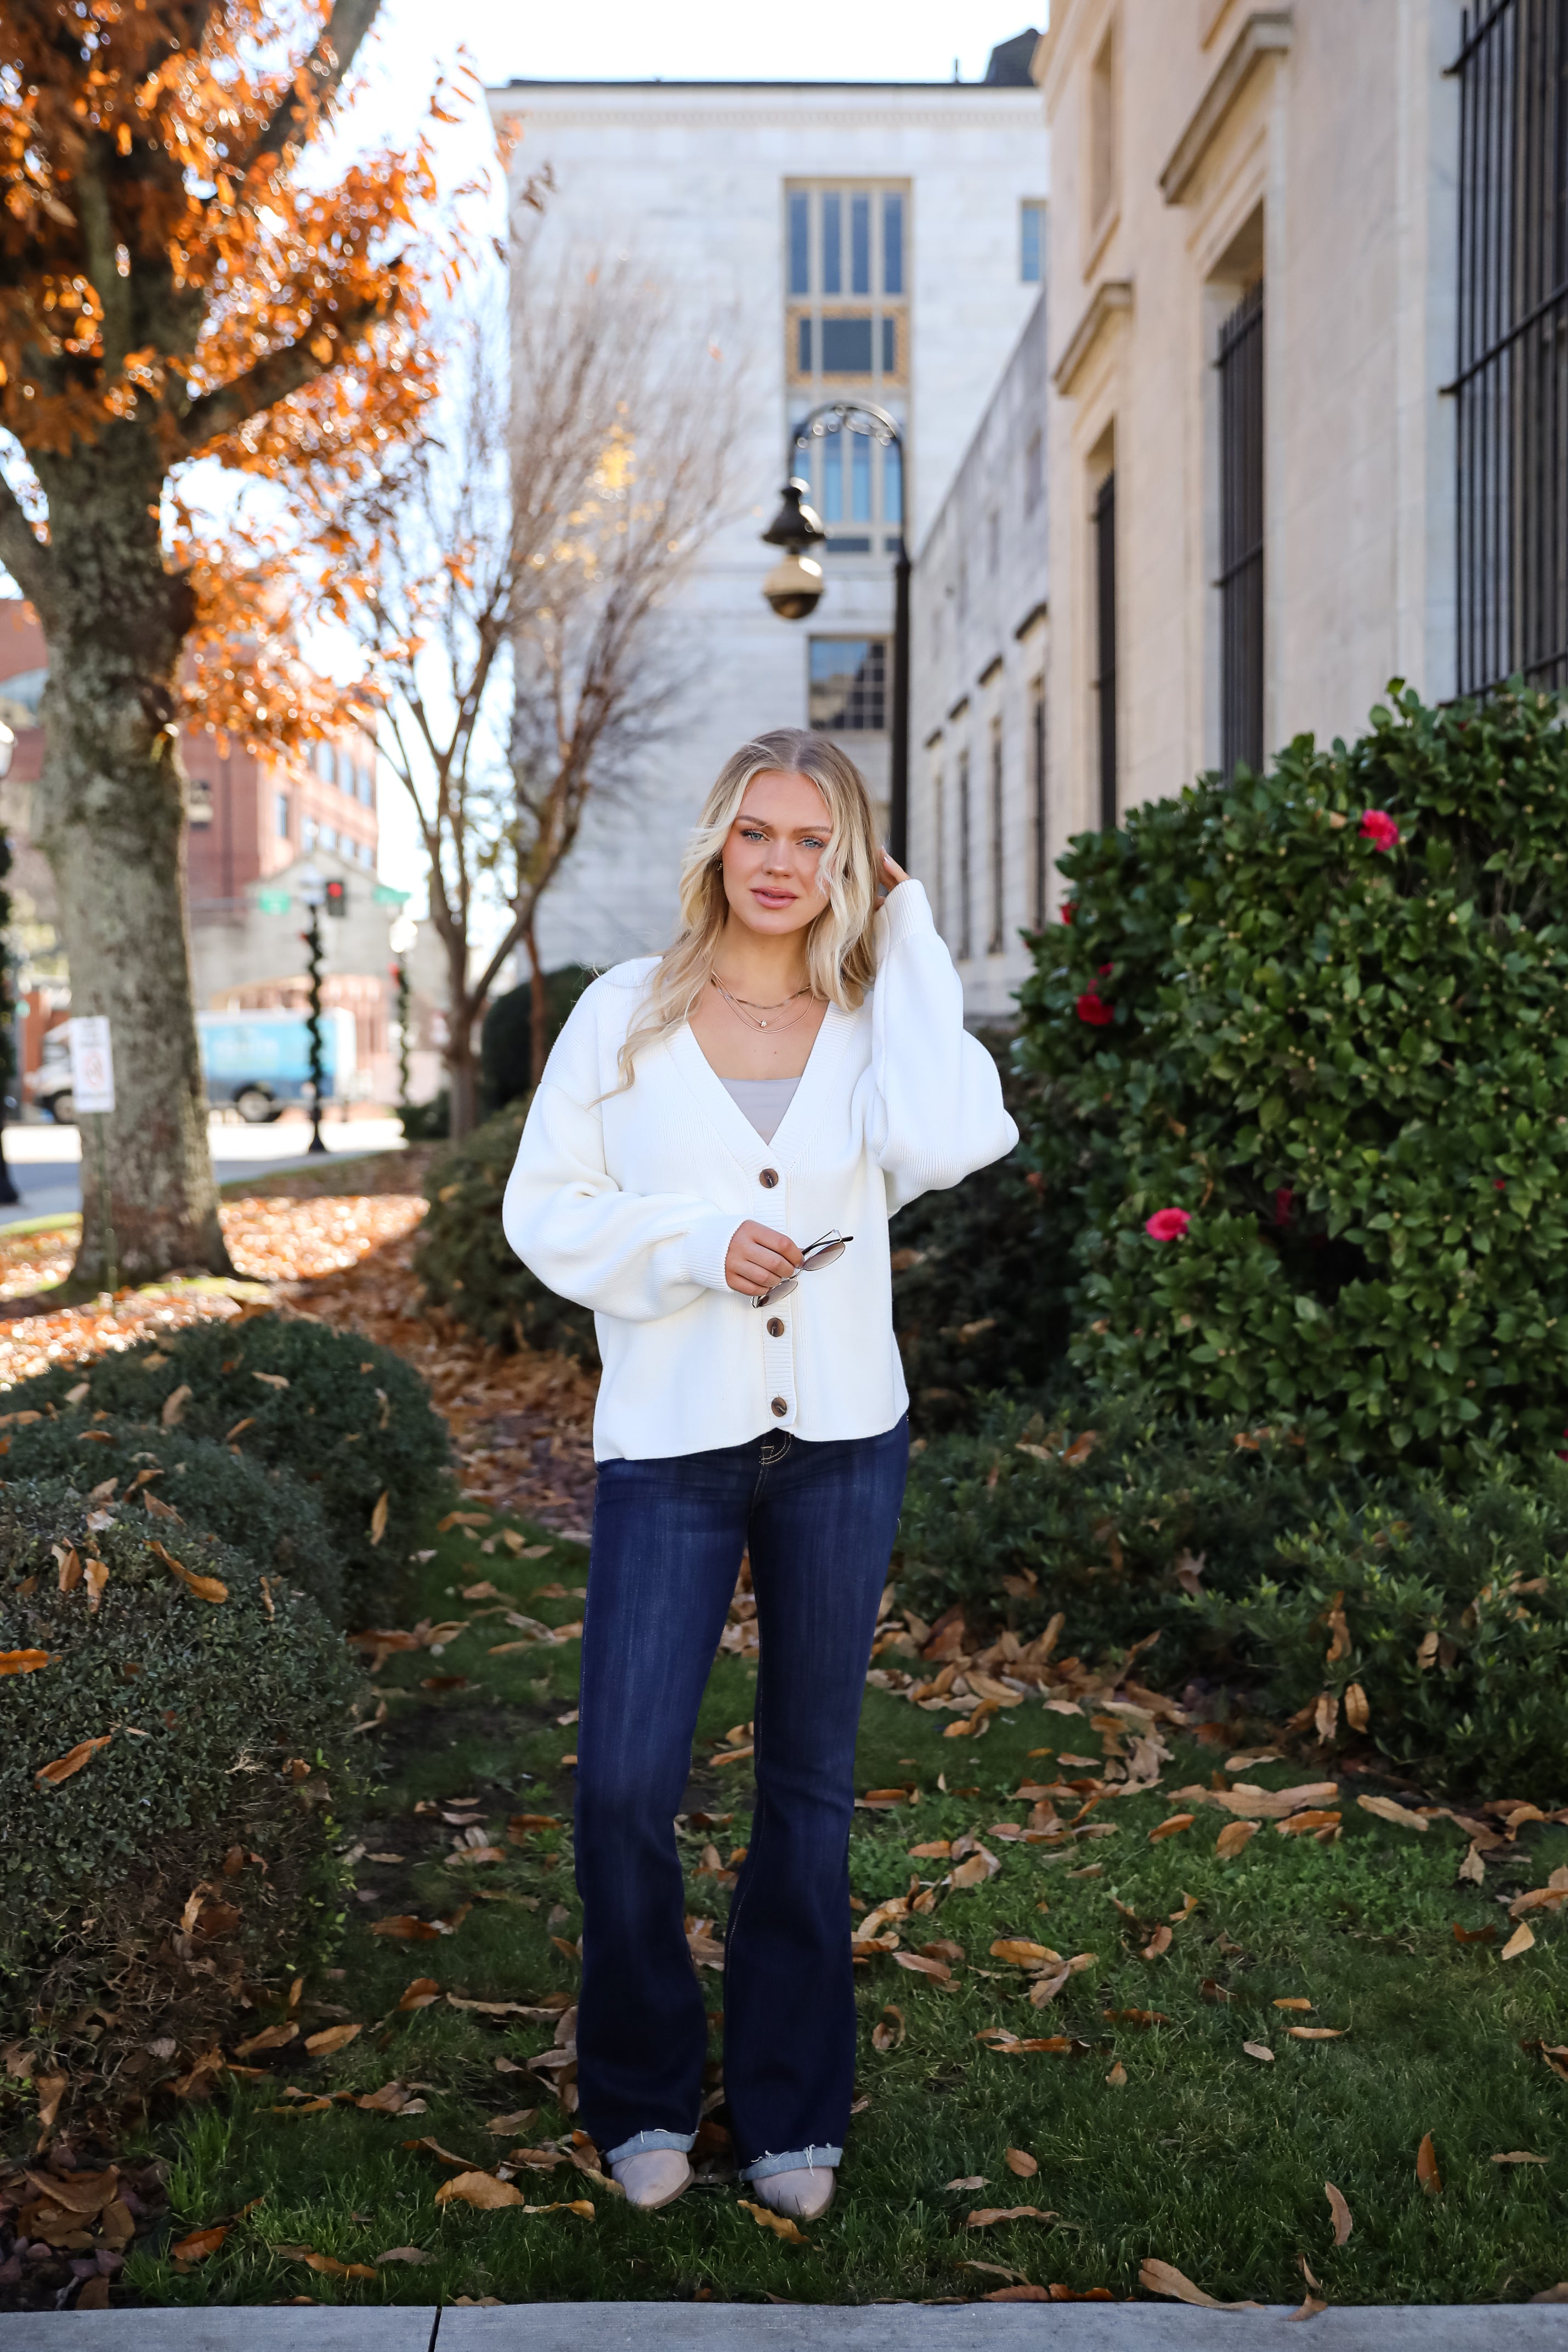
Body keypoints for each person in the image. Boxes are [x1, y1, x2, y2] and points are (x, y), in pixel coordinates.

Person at [503, 727, 1017, 2219]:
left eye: (817, 843)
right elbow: (547, 1213)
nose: (783, 865)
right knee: (621, 1790)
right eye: (759, 834)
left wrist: (911, 932)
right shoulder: (623, 1018)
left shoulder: (878, 1026)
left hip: (841, 1445)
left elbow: (953, 1131)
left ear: (849, 865)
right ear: (718, 844)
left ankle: (792, 2113)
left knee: (808, 1791)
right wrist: (683, 1248)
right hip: (669, 1449)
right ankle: (645, 2090)